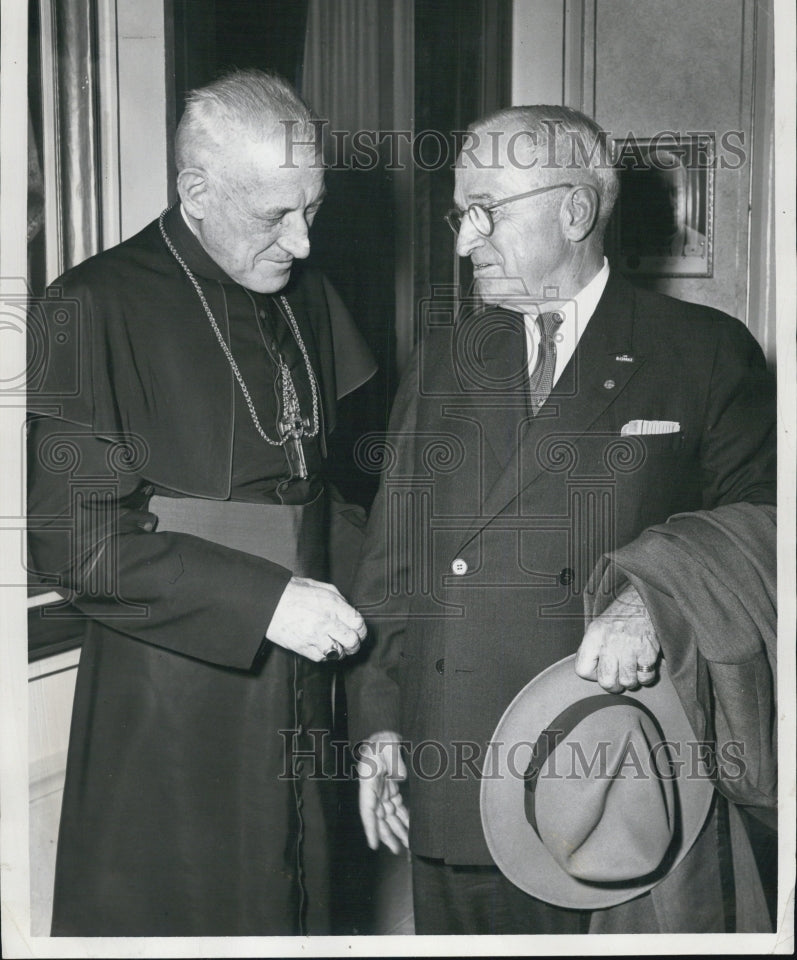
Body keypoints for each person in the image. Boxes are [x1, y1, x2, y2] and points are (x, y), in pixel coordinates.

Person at [345, 105, 776, 934]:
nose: (464, 240)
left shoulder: (702, 350)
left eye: (485, 213)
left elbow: (763, 524)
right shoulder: (444, 356)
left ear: (573, 212)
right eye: (458, 214)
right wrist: (379, 725)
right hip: (457, 761)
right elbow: (393, 559)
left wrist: (648, 599)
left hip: (616, 761)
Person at [26, 69, 375, 936]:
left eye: (312, 209)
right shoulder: (91, 305)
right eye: (273, 216)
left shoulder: (306, 292)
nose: (299, 243)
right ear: (195, 191)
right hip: (176, 680)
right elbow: (74, 546)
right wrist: (265, 600)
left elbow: (327, 491)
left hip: (309, 661)